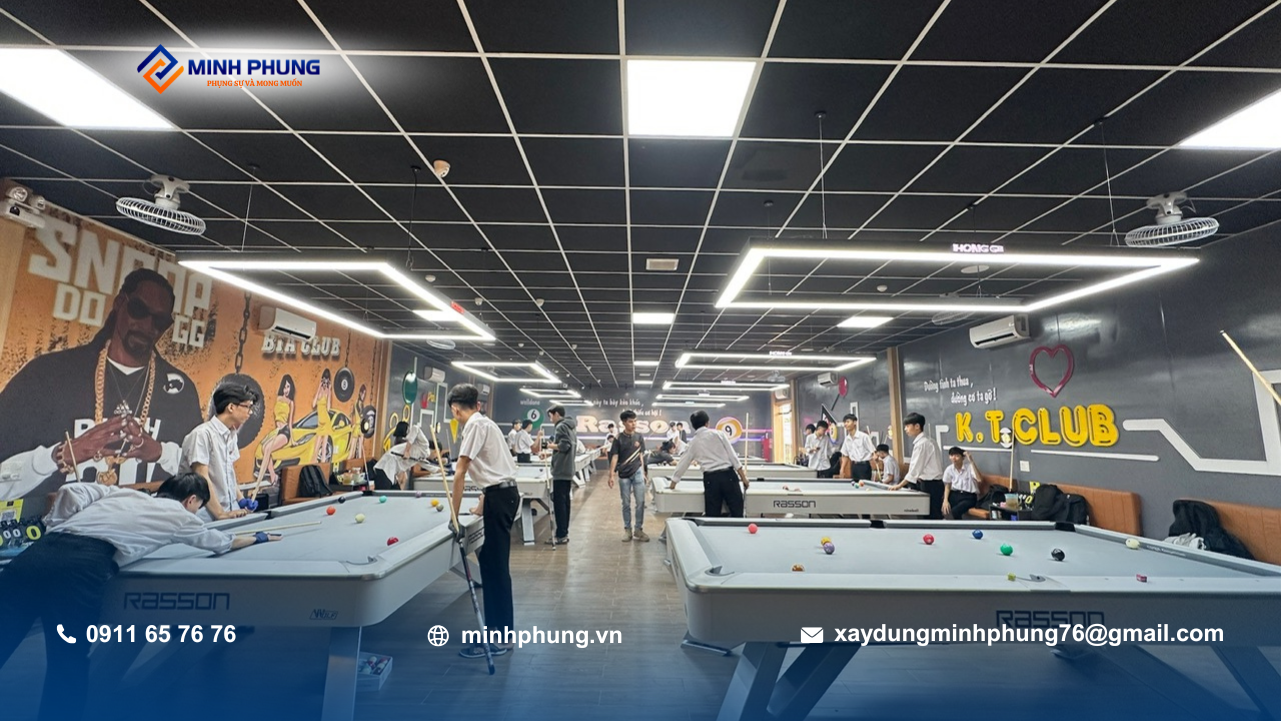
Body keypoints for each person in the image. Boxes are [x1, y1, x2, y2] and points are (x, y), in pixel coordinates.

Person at [0, 473, 279, 721]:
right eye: (199, 508)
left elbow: (71, 490)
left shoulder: (121, 494)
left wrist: (57, 525)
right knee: (67, 663)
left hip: (35, 555)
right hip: (80, 568)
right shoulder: (181, 516)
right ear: (191, 500)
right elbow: (219, 543)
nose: (197, 513)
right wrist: (258, 538)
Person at [0, 268, 203, 513]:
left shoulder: (181, 393)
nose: (148, 325)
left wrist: (160, 452)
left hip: (143, 530)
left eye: (160, 321)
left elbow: (201, 478)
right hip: (57, 529)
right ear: (119, 303)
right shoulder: (47, 374)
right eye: (139, 310)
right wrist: (61, 455)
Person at [448, 384, 520, 660]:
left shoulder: (475, 426)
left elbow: (460, 472)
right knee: (492, 567)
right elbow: (492, 467)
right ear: (477, 404)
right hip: (499, 496)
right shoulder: (485, 423)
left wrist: (454, 516)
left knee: (495, 570)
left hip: (500, 498)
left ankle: (500, 638)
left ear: (455, 410)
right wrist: (483, 501)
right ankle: (498, 633)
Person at [180, 385, 258, 521]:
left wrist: (240, 500)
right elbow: (202, 477)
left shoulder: (231, 434)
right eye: (247, 406)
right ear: (231, 407)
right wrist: (220, 514)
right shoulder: (202, 434)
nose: (250, 412)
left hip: (229, 510)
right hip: (205, 514)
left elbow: (229, 473)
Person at [670, 410, 749, 517]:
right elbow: (733, 458)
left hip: (711, 480)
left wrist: (672, 485)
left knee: (712, 517)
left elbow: (682, 464)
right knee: (737, 514)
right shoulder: (719, 434)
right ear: (707, 423)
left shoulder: (693, 443)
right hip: (729, 477)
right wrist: (744, 478)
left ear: (693, 426)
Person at [608, 410, 650, 542]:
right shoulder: (618, 438)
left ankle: (638, 529)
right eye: (631, 421)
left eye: (635, 421)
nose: (634, 424)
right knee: (626, 503)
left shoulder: (639, 437)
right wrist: (611, 475)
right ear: (624, 423)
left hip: (637, 472)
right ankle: (627, 530)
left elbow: (640, 455)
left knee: (640, 502)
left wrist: (643, 472)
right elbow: (615, 457)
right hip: (624, 475)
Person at [901, 412, 945, 519]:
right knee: (926, 515)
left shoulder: (923, 444)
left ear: (917, 426)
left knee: (931, 516)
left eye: (907, 426)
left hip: (931, 485)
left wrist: (899, 485)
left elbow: (915, 469)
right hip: (929, 483)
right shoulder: (928, 441)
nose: (905, 429)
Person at [255, 374, 296, 486]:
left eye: (288, 387)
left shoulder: (290, 403)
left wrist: (292, 440)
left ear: (291, 388)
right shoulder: (278, 399)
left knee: (268, 448)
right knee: (264, 448)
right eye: (285, 387)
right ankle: (273, 476)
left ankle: (261, 476)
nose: (286, 390)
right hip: (277, 430)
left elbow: (290, 423)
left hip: (285, 431)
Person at [544, 405, 577, 545]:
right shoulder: (570, 426)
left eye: (550, 416)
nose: (550, 419)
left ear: (556, 414)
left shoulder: (561, 426)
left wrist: (549, 446)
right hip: (567, 469)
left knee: (559, 505)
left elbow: (564, 446)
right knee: (564, 503)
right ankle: (563, 533)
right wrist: (551, 452)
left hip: (561, 471)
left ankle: (561, 535)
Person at [373, 421, 431, 490]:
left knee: (396, 491)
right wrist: (407, 451)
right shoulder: (419, 445)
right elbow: (415, 429)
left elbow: (426, 465)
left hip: (393, 472)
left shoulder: (420, 455)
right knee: (385, 492)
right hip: (387, 468)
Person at [942, 447, 983, 520]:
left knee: (955, 512)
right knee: (943, 507)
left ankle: (952, 524)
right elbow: (947, 486)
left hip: (969, 496)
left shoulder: (969, 467)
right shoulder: (949, 469)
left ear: (963, 458)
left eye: (957, 456)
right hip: (955, 494)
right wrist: (945, 500)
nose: (954, 458)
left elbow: (979, 479)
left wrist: (971, 461)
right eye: (952, 455)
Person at [840, 414, 876, 481]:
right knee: (855, 485)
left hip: (864, 466)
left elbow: (873, 452)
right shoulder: (847, 439)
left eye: (848, 422)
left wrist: (874, 457)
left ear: (855, 422)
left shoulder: (864, 437)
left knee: (864, 485)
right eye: (844, 422)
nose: (845, 424)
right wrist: (842, 469)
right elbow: (845, 455)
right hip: (854, 466)